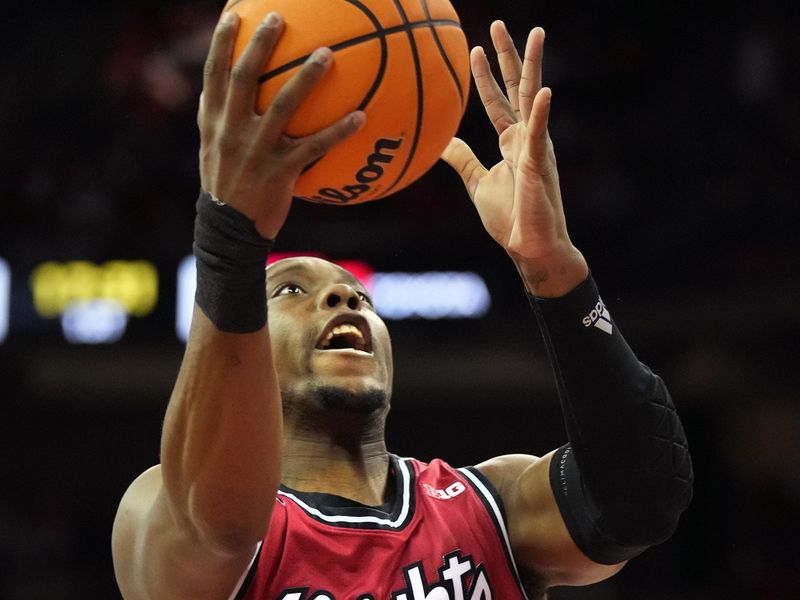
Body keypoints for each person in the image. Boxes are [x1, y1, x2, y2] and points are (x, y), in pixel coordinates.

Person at [112, 11, 693, 600]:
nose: (343, 297)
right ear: (246, 345)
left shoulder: (492, 508)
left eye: (361, 297)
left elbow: (642, 497)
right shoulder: (167, 506)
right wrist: (229, 235)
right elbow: (222, 525)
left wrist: (553, 269)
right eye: (291, 290)